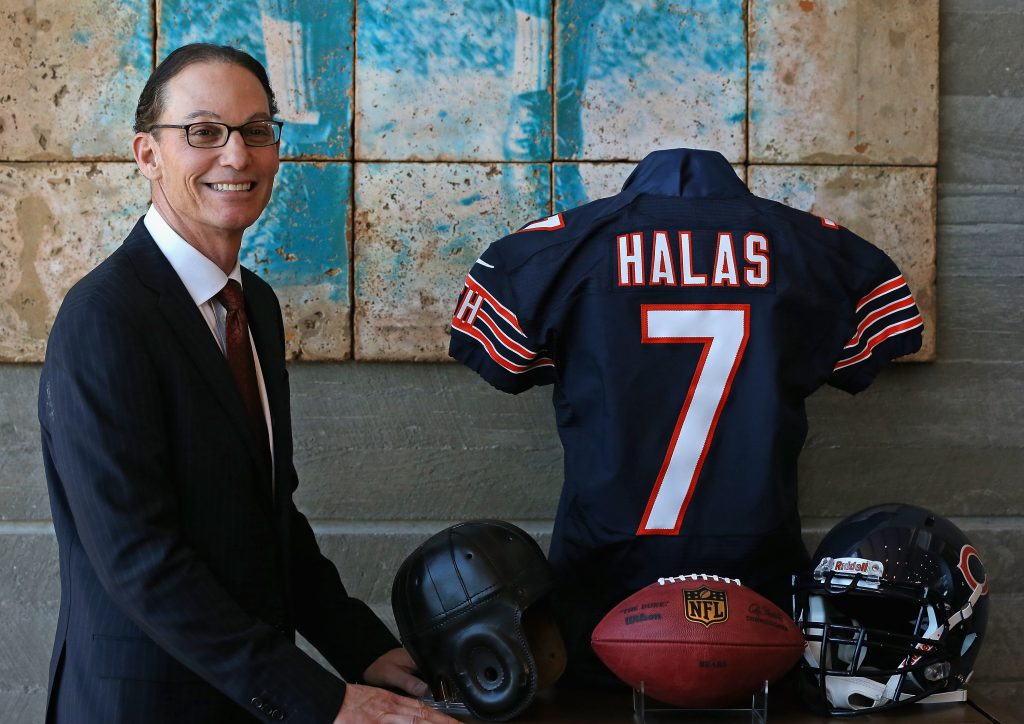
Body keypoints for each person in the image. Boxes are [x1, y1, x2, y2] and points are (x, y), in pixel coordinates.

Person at [39, 43, 456, 724]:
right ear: (148, 154)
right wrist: (322, 701)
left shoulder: (252, 305)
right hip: (141, 705)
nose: (237, 156)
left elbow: (269, 520)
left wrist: (363, 651)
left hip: (244, 702)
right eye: (204, 132)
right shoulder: (105, 318)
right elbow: (141, 563)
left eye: (256, 131)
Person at [448, 147, 923, 685]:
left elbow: (505, 362)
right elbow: (865, 344)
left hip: (606, 574)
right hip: (757, 575)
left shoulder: (558, 249)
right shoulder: (813, 248)